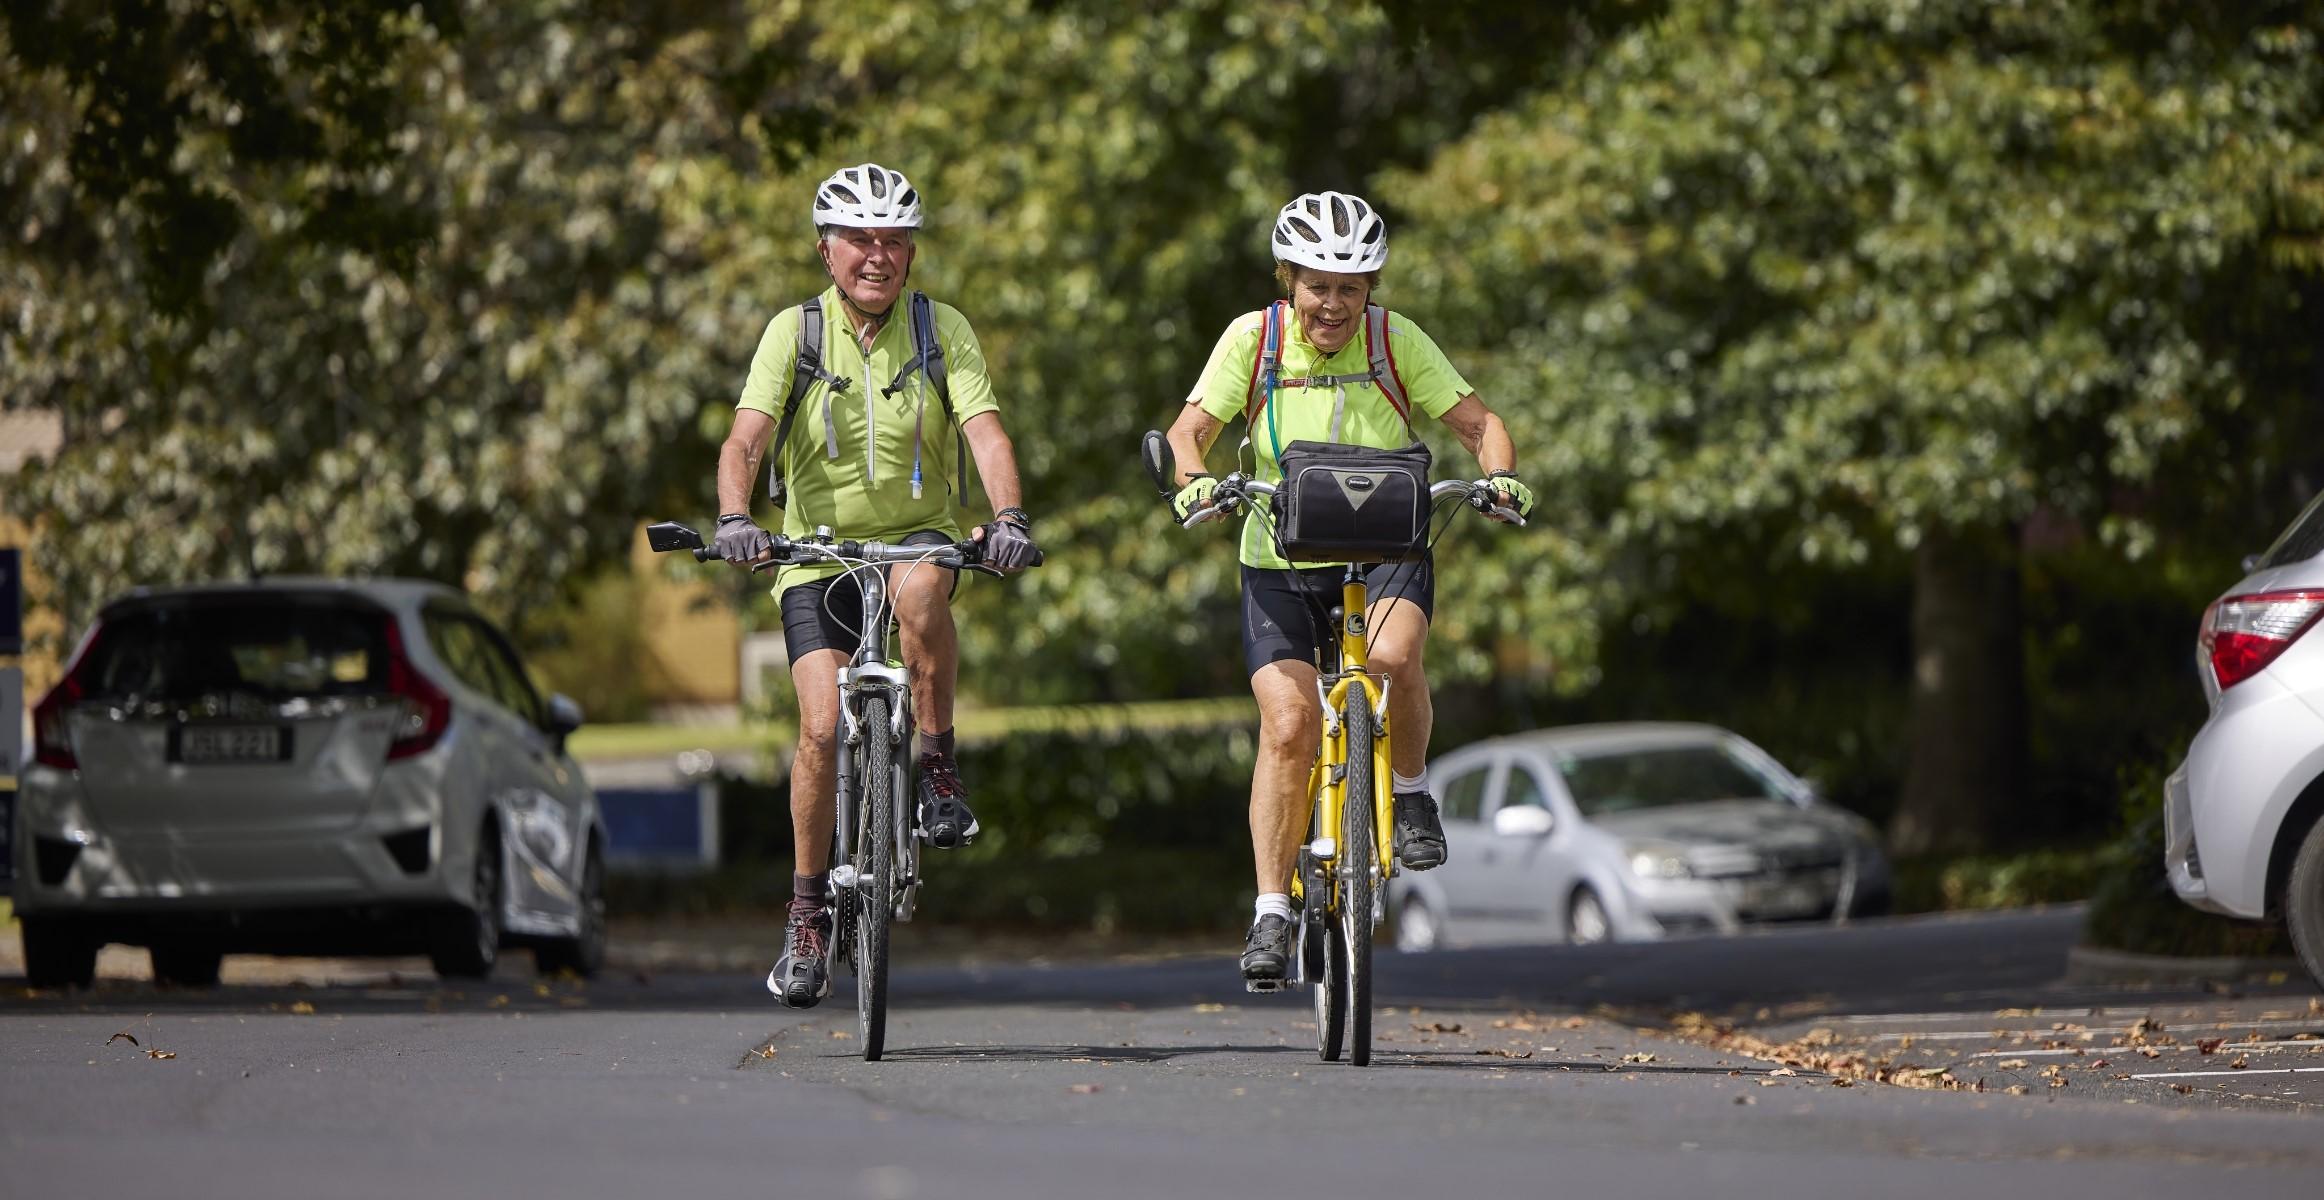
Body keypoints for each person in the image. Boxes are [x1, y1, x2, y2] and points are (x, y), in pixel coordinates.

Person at [1163, 190, 1535, 982]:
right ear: (1287, 278)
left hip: (1387, 548)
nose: (1332, 304)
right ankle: (1270, 912)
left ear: (1371, 289)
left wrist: (1501, 479)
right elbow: (1188, 434)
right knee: (1290, 725)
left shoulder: (1395, 341)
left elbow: (1478, 424)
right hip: (1281, 559)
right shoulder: (1252, 341)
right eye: (1317, 285)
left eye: (1351, 287)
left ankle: (1408, 793)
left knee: (1395, 660)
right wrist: (1193, 483)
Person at [713, 162, 1038, 1007]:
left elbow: (986, 433)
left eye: (895, 240)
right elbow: (746, 438)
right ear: (827, 250)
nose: (879, 255)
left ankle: (936, 769)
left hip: (918, 542)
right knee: (820, 727)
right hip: (817, 555)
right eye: (861, 239)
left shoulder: (941, 328)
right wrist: (734, 516)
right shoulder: (795, 333)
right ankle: (808, 913)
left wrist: (1007, 517)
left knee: (923, 592)